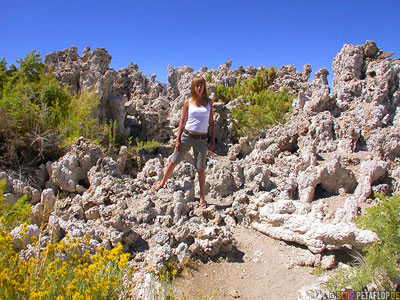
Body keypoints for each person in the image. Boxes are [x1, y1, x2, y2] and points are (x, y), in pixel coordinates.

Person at [152, 76, 215, 209]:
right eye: (196, 86)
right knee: (173, 160)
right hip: (187, 136)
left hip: (202, 140)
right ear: (193, 87)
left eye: (201, 85)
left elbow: (211, 122)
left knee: (201, 169)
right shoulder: (188, 102)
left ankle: (202, 198)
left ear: (204, 87)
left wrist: (212, 139)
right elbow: (182, 121)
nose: (199, 88)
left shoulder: (209, 102)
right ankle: (162, 183)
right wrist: (177, 139)